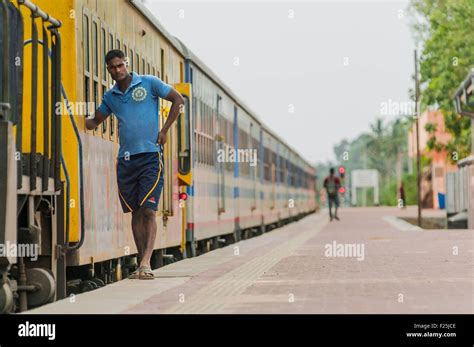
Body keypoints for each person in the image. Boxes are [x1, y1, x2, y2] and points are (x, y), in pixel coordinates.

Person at [86, 49, 184, 279]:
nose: (117, 70)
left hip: (151, 156)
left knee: (149, 209)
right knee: (135, 213)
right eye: (112, 67)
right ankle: (142, 263)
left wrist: (165, 130)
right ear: (108, 70)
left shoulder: (148, 83)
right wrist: (71, 115)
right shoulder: (110, 97)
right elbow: (95, 121)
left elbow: (178, 100)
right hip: (126, 161)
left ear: (126, 64)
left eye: (120, 65)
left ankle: (147, 262)